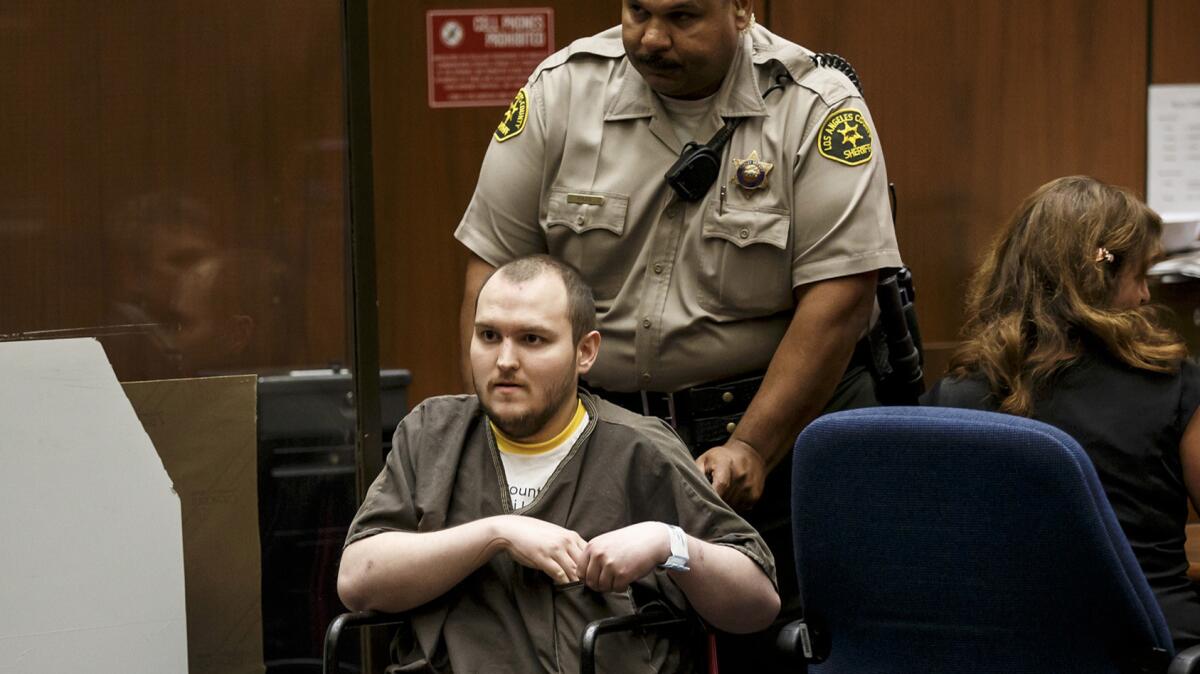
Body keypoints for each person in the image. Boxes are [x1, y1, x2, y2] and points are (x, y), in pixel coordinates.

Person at [338, 255, 779, 672]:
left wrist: (670, 543)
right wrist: (496, 533)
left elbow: (757, 605)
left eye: (532, 339)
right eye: (489, 336)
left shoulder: (639, 448)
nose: (505, 361)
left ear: (585, 352)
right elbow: (358, 580)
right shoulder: (433, 433)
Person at [923, 176, 1200, 649]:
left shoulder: (949, 399)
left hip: (994, 647)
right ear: (1101, 275)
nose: (1146, 297)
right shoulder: (1172, 383)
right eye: (1139, 276)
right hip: (1147, 642)